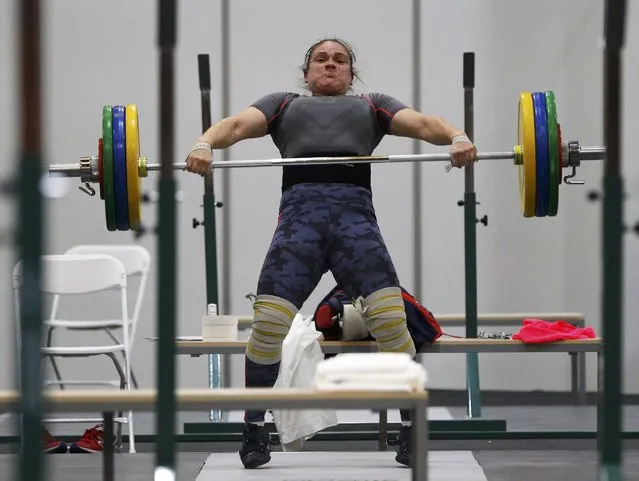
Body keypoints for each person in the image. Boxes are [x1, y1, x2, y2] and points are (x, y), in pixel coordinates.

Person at [185, 37, 477, 469]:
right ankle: (254, 429)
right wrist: (204, 143)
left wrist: (457, 135)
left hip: (355, 223)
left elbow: (421, 124)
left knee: (392, 323)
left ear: (351, 73)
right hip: (298, 224)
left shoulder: (372, 105)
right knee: (268, 325)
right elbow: (236, 126)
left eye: (340, 60)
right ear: (306, 73)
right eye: (321, 59)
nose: (330, 64)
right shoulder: (283, 104)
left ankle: (410, 430)